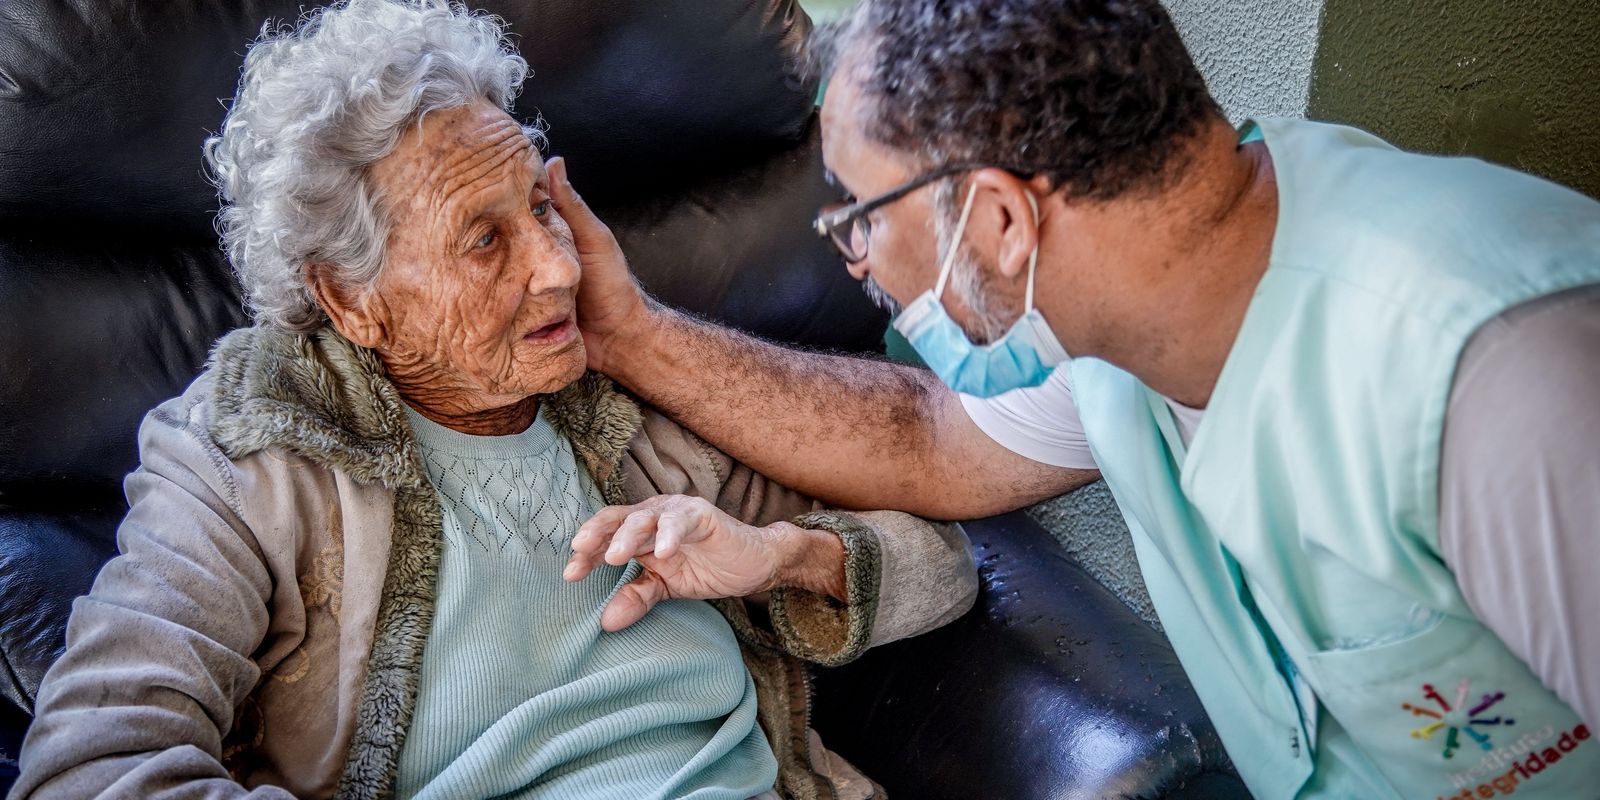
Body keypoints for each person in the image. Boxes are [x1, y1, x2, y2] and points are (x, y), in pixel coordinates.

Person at [555, 0, 1600, 797]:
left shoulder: (1507, 386)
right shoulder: (1134, 308)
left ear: (1003, 221)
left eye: (861, 215)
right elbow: (931, 439)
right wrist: (635, 333)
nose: (856, 260)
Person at [9, 2, 978, 798]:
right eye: (485, 239)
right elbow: (92, 767)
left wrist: (776, 555)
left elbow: (949, 565)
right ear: (350, 299)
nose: (561, 268)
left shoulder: (623, 399)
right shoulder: (252, 450)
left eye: (543, 205)